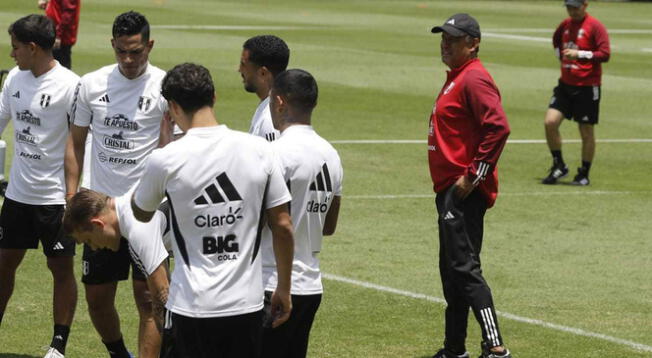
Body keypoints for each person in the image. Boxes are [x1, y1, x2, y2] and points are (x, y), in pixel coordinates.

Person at [130, 63, 295, 358]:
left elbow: (141, 213)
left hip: (191, 305)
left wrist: (164, 146)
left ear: (173, 107)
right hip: (246, 303)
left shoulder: (165, 159)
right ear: (214, 97)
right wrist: (283, 287)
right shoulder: (260, 150)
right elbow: (282, 224)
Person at [64, 11, 168, 358]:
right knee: (96, 297)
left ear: (149, 45)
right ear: (112, 45)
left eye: (136, 51)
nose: (128, 59)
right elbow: (76, 141)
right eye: (121, 51)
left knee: (149, 297)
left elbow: (172, 150)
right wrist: (72, 193)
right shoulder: (92, 84)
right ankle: (119, 354)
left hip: (146, 212)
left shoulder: (163, 86)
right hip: (101, 212)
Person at [428, 14, 512, 358]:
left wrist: (474, 174)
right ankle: (454, 349)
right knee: (452, 272)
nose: (445, 43)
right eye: (443, 37)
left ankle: (495, 347)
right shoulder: (458, 77)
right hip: (449, 189)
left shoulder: (474, 79)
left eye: (453, 38)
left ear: (473, 43)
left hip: (462, 191)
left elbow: (498, 127)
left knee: (464, 268)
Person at [0, 14, 79, 358]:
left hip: (55, 199)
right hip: (17, 195)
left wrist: (73, 194)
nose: (11, 54)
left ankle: (58, 346)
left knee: (60, 268)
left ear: (33, 48)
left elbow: (80, 144)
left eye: (15, 47)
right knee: (3, 265)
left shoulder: (71, 86)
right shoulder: (14, 80)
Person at [261, 69, 343, 358]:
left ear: (280, 102)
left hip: (271, 284)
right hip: (310, 286)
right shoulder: (331, 154)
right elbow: (328, 226)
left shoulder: (274, 153)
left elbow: (263, 221)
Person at [62, 188, 170, 345]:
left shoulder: (138, 229)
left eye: (88, 241)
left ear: (97, 224)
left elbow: (162, 297)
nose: (93, 248)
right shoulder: (127, 206)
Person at [542, 0, 610, 186]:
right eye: (569, 8)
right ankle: (559, 165)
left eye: (575, 7)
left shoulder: (595, 26)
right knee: (550, 122)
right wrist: (560, 55)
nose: (572, 11)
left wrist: (580, 55)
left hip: (587, 86)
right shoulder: (565, 25)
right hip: (565, 85)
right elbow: (556, 39)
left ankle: (584, 173)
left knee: (586, 130)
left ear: (585, 5)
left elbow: (605, 54)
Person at [239, 35, 289, 142]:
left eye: (243, 64)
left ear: (263, 73)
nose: (239, 70)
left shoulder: (271, 120)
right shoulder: (271, 106)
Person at [37, 0, 81, 69]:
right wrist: (49, 5)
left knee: (61, 68)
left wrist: (58, 35)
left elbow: (68, 14)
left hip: (61, 37)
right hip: (55, 33)